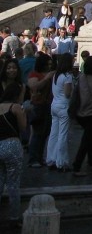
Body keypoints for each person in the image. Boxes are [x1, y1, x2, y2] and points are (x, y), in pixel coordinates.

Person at [72, 55, 92, 176]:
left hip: (81, 112)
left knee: (91, 137)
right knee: (86, 140)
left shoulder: (81, 78)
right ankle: (77, 165)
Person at [0, 84, 26, 229]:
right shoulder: (16, 107)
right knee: (13, 184)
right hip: (12, 146)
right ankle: (14, 218)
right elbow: (23, 128)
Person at [46, 53, 73, 171]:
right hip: (63, 106)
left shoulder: (55, 75)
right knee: (62, 134)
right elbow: (67, 93)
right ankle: (61, 161)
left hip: (54, 105)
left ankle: (51, 158)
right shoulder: (68, 76)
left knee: (54, 133)